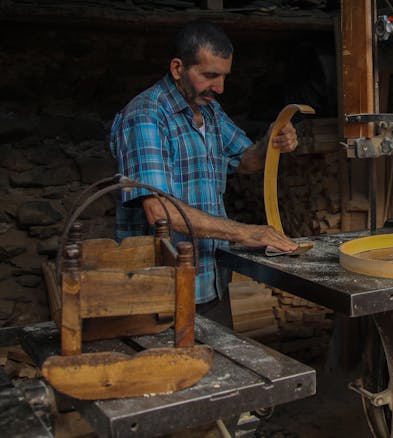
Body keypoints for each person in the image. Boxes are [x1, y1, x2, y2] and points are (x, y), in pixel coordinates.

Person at [109, 20, 298, 328]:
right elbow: (160, 211)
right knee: (171, 376)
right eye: (210, 75)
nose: (220, 87)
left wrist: (272, 140)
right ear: (177, 68)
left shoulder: (208, 110)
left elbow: (247, 161)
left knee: (223, 373)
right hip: (162, 291)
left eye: (224, 76)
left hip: (209, 280)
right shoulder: (146, 116)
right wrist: (245, 232)